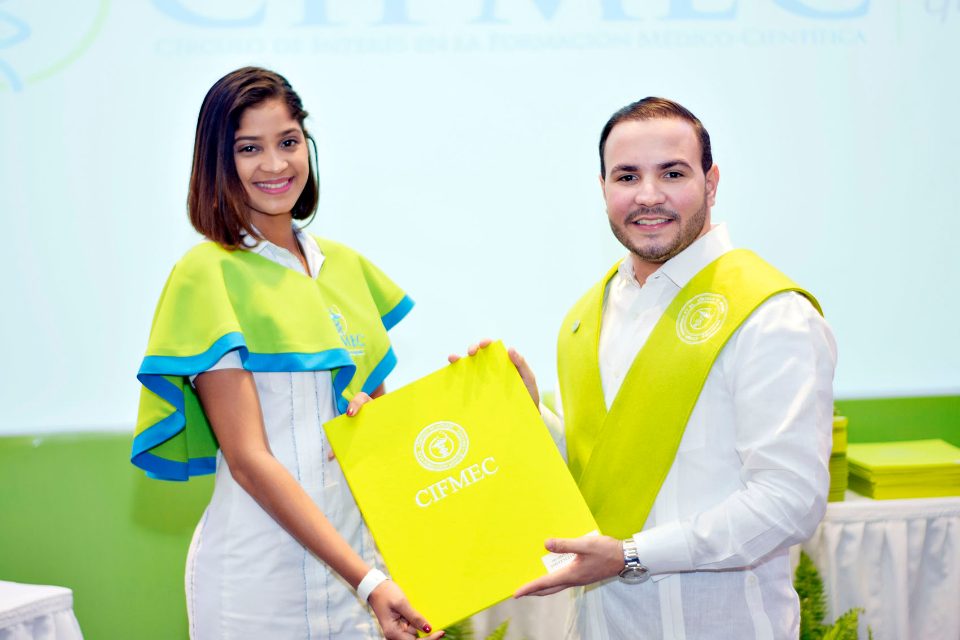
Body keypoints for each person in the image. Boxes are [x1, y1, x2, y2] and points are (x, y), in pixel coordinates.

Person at [461, 98, 837, 639]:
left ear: (711, 183)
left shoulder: (770, 315)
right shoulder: (589, 315)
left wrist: (632, 555)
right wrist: (529, 419)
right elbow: (602, 474)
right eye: (627, 176)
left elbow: (790, 501)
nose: (648, 195)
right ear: (603, 189)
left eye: (673, 173)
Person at [131, 67, 443, 640]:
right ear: (218, 162)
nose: (275, 165)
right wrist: (367, 582)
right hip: (258, 583)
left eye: (288, 142)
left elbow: (377, 436)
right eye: (249, 148)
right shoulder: (208, 275)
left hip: (363, 572)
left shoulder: (345, 268)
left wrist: (391, 417)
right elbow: (250, 460)